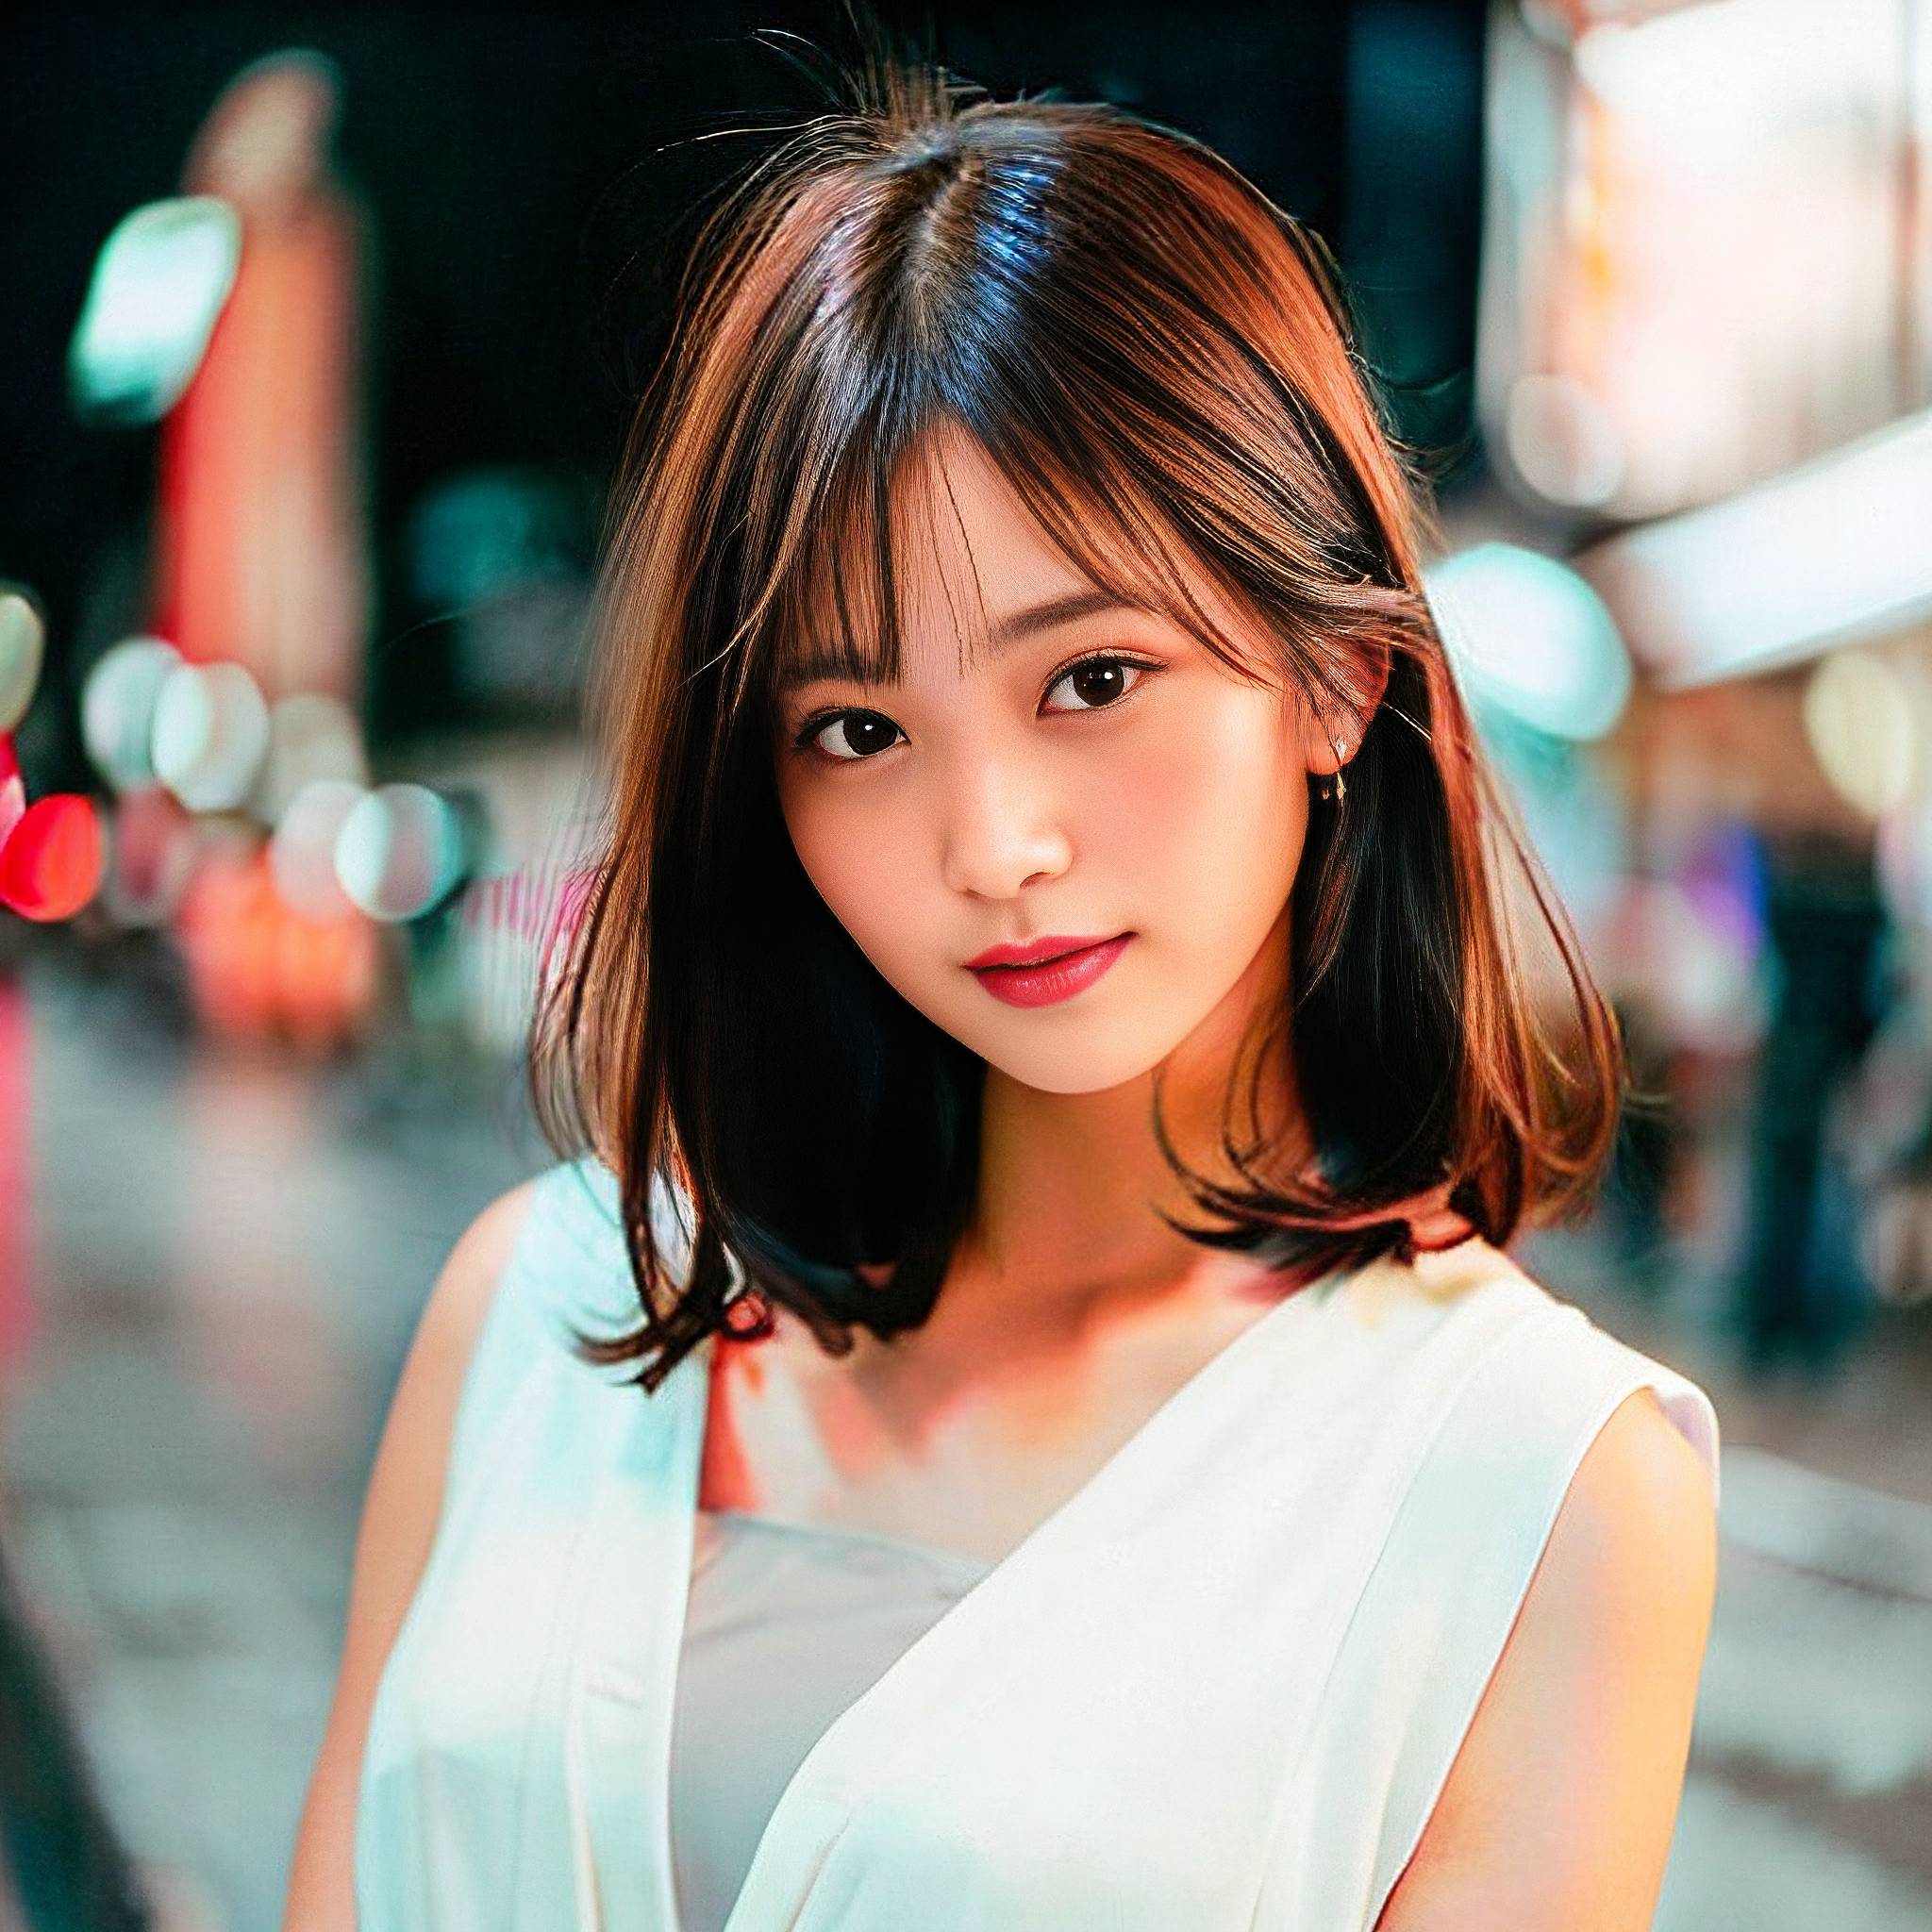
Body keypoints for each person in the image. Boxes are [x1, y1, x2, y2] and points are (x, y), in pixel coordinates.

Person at [286, 60, 1719, 1931]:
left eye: (1092, 679)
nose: (991, 843)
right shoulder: (545, 1305)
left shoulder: (1534, 1482)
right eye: (859, 727)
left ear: (1331, 678)